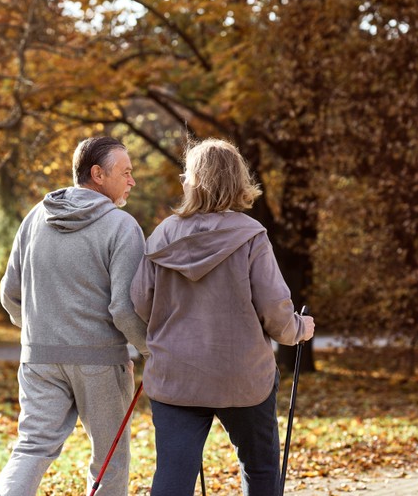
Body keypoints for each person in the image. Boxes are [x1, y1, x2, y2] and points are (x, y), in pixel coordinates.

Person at [130, 138, 315, 496]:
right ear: (236, 181)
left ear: (194, 181)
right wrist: (299, 330)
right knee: (260, 467)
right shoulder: (250, 236)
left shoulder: (163, 235)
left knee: (172, 473)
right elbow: (275, 309)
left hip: (176, 376)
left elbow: (140, 300)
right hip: (242, 377)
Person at [0, 136, 149, 496]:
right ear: (97, 173)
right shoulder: (123, 227)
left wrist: (40, 331)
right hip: (100, 362)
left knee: (31, 448)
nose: (132, 181)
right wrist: (151, 350)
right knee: (109, 460)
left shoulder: (35, 216)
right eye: (125, 172)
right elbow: (124, 309)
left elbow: (9, 293)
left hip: (38, 359)